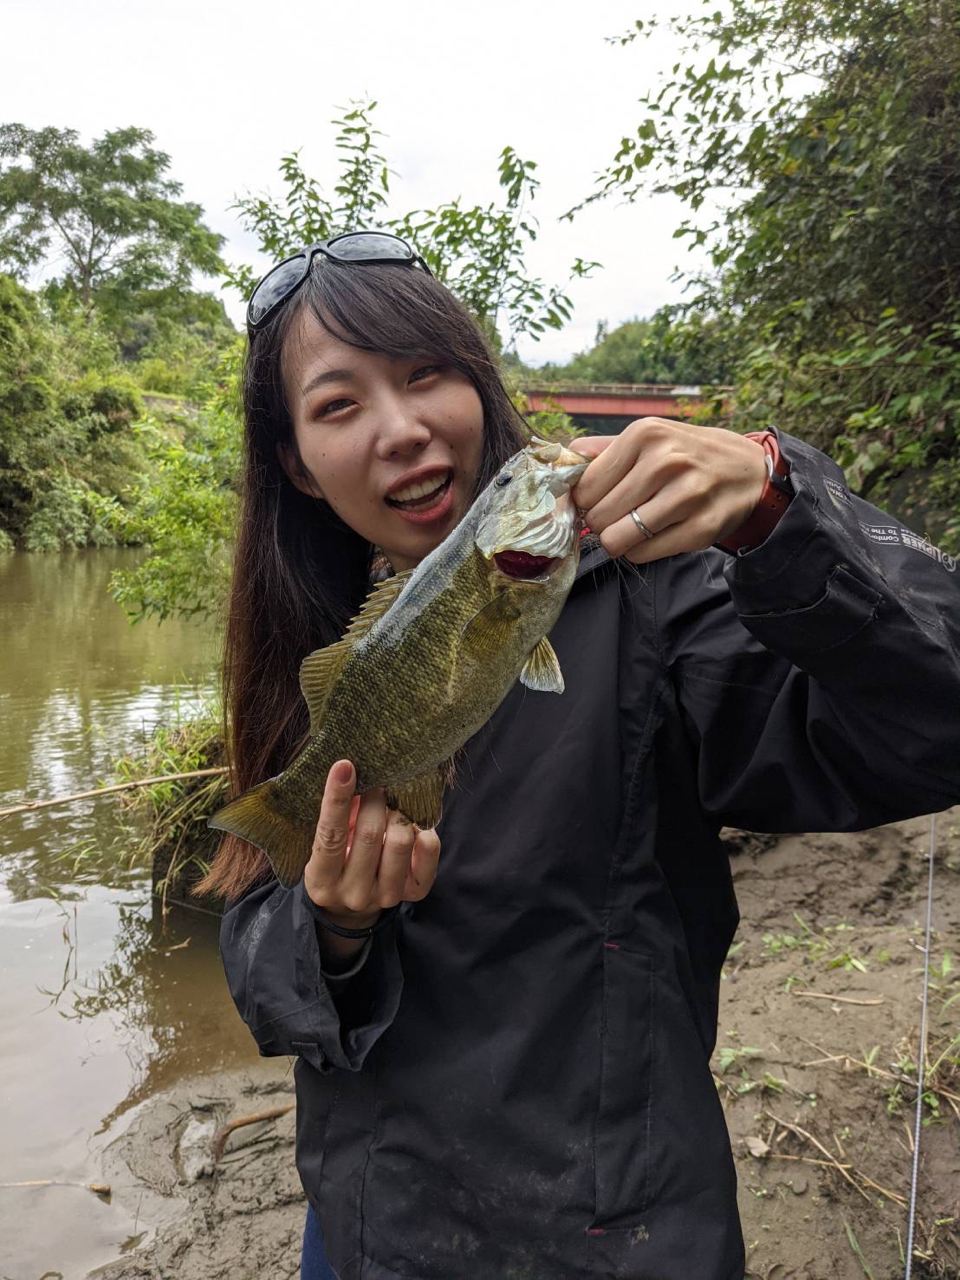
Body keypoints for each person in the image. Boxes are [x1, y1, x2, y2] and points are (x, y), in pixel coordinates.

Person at [202, 231, 960, 1280]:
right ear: (295, 460)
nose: (402, 427)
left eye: (428, 376)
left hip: (613, 1238)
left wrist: (784, 515)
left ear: (480, 385)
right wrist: (329, 927)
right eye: (338, 405)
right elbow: (255, 966)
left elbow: (935, 727)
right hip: (367, 1229)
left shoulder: (662, 596)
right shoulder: (314, 643)